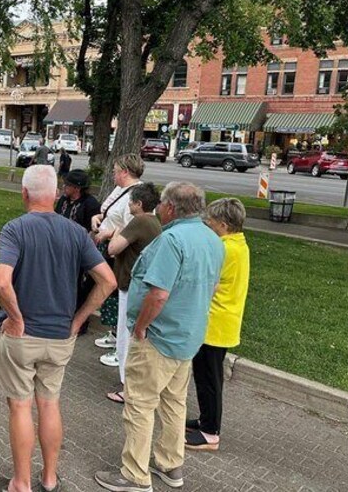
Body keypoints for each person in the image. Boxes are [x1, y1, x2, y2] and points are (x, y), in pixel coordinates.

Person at [0, 165, 116, 492]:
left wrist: (15, 318)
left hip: (21, 337)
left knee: (20, 405)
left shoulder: (16, 229)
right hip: (60, 336)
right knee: (49, 403)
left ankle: (20, 483)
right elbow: (108, 281)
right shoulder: (76, 232)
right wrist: (78, 320)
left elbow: (1, 281)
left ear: (24, 193)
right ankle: (50, 479)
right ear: (56, 195)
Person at [94, 182, 224, 492]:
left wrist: (140, 327)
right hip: (187, 336)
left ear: (170, 207)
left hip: (159, 337)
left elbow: (158, 294)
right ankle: (170, 465)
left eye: (162, 204)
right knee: (174, 403)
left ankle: (135, 475)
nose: (160, 209)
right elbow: (213, 286)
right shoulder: (213, 239)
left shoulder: (172, 240)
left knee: (140, 404)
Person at [186, 198, 250, 452]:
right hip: (224, 321)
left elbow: (207, 283)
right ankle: (206, 419)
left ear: (223, 224)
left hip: (214, 322)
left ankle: (210, 432)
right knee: (208, 377)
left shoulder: (222, 249)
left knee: (208, 379)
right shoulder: (238, 243)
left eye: (210, 221)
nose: (207, 224)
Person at [103, 183, 162, 404]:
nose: (128, 204)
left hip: (130, 284)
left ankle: (127, 384)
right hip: (141, 285)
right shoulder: (155, 222)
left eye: (130, 201)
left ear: (138, 203)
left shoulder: (140, 221)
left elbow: (113, 248)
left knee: (125, 334)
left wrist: (116, 231)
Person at [91, 154, 144, 367]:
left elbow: (132, 228)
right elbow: (107, 211)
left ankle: (121, 349)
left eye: (115, 171)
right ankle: (114, 334)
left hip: (119, 250)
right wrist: (97, 218)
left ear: (125, 172)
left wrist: (109, 233)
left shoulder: (136, 194)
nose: (112, 174)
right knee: (109, 292)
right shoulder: (119, 189)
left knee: (117, 294)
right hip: (106, 245)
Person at [55, 169, 101, 336]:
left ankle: (79, 322)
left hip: (79, 252)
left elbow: (93, 231)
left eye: (67, 185)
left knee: (76, 286)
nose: (63, 187)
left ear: (77, 188)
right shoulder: (64, 200)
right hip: (60, 249)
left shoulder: (90, 204)